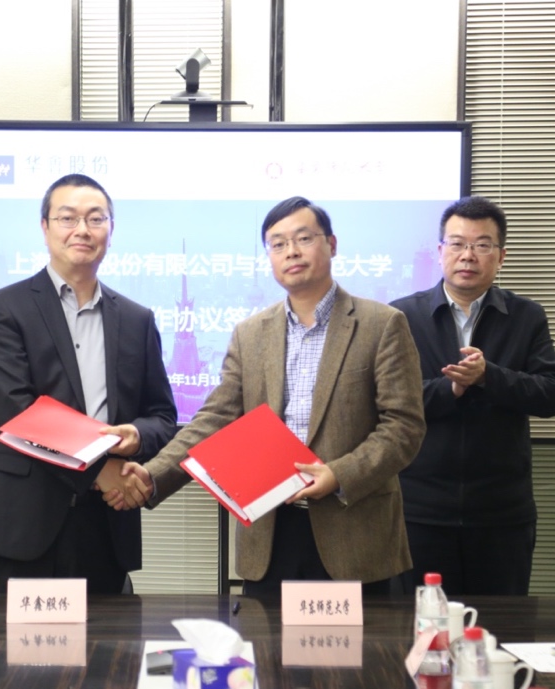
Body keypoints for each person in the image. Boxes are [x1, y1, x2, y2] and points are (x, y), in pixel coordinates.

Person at [111, 196, 426, 595]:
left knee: (356, 640)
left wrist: (339, 475)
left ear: (331, 244)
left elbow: (403, 427)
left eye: (303, 238)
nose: (291, 251)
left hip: (354, 532)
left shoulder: (382, 324)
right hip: (269, 533)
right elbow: (213, 420)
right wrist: (152, 475)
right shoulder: (251, 333)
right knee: (267, 638)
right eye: (278, 244)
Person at [0, 173, 177, 594]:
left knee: (105, 638)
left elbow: (163, 416)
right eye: (67, 218)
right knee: (13, 639)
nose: (82, 230)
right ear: (45, 228)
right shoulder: (4, 307)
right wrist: (99, 470)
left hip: (106, 522)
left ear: (111, 230)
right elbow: (18, 411)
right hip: (21, 523)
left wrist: (136, 436)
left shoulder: (137, 319)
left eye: (96, 219)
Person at [390, 195, 555, 596]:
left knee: (500, 626)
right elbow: (388, 402)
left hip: (502, 514)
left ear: (501, 256)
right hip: (420, 510)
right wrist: (450, 388)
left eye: (482, 245)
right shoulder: (401, 316)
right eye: (457, 244)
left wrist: (489, 376)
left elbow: (551, 394)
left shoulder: (527, 316)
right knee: (422, 626)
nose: (467, 255)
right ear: (440, 251)